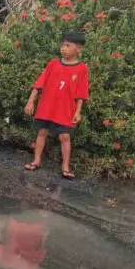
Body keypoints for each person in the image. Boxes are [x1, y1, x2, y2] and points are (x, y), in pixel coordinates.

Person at [23, 30, 89, 180]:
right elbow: (39, 83)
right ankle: (36, 161)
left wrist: (78, 112)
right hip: (47, 106)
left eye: (68, 45)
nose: (63, 48)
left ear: (78, 49)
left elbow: (81, 93)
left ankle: (65, 167)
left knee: (65, 136)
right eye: (63, 45)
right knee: (42, 132)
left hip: (65, 109)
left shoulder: (81, 69)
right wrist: (31, 101)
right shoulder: (53, 64)